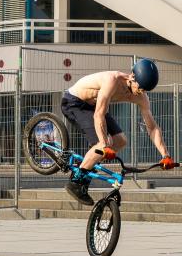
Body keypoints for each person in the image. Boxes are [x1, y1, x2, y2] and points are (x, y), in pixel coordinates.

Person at [61, 59, 175, 205]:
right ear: (132, 77)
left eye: (145, 90)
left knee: (121, 141)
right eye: (140, 88)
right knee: (104, 143)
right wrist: (103, 143)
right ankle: (75, 182)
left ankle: (86, 165)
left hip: (94, 105)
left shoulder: (141, 96)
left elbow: (152, 127)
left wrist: (165, 155)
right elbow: (99, 114)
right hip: (75, 102)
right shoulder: (112, 81)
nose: (141, 92)